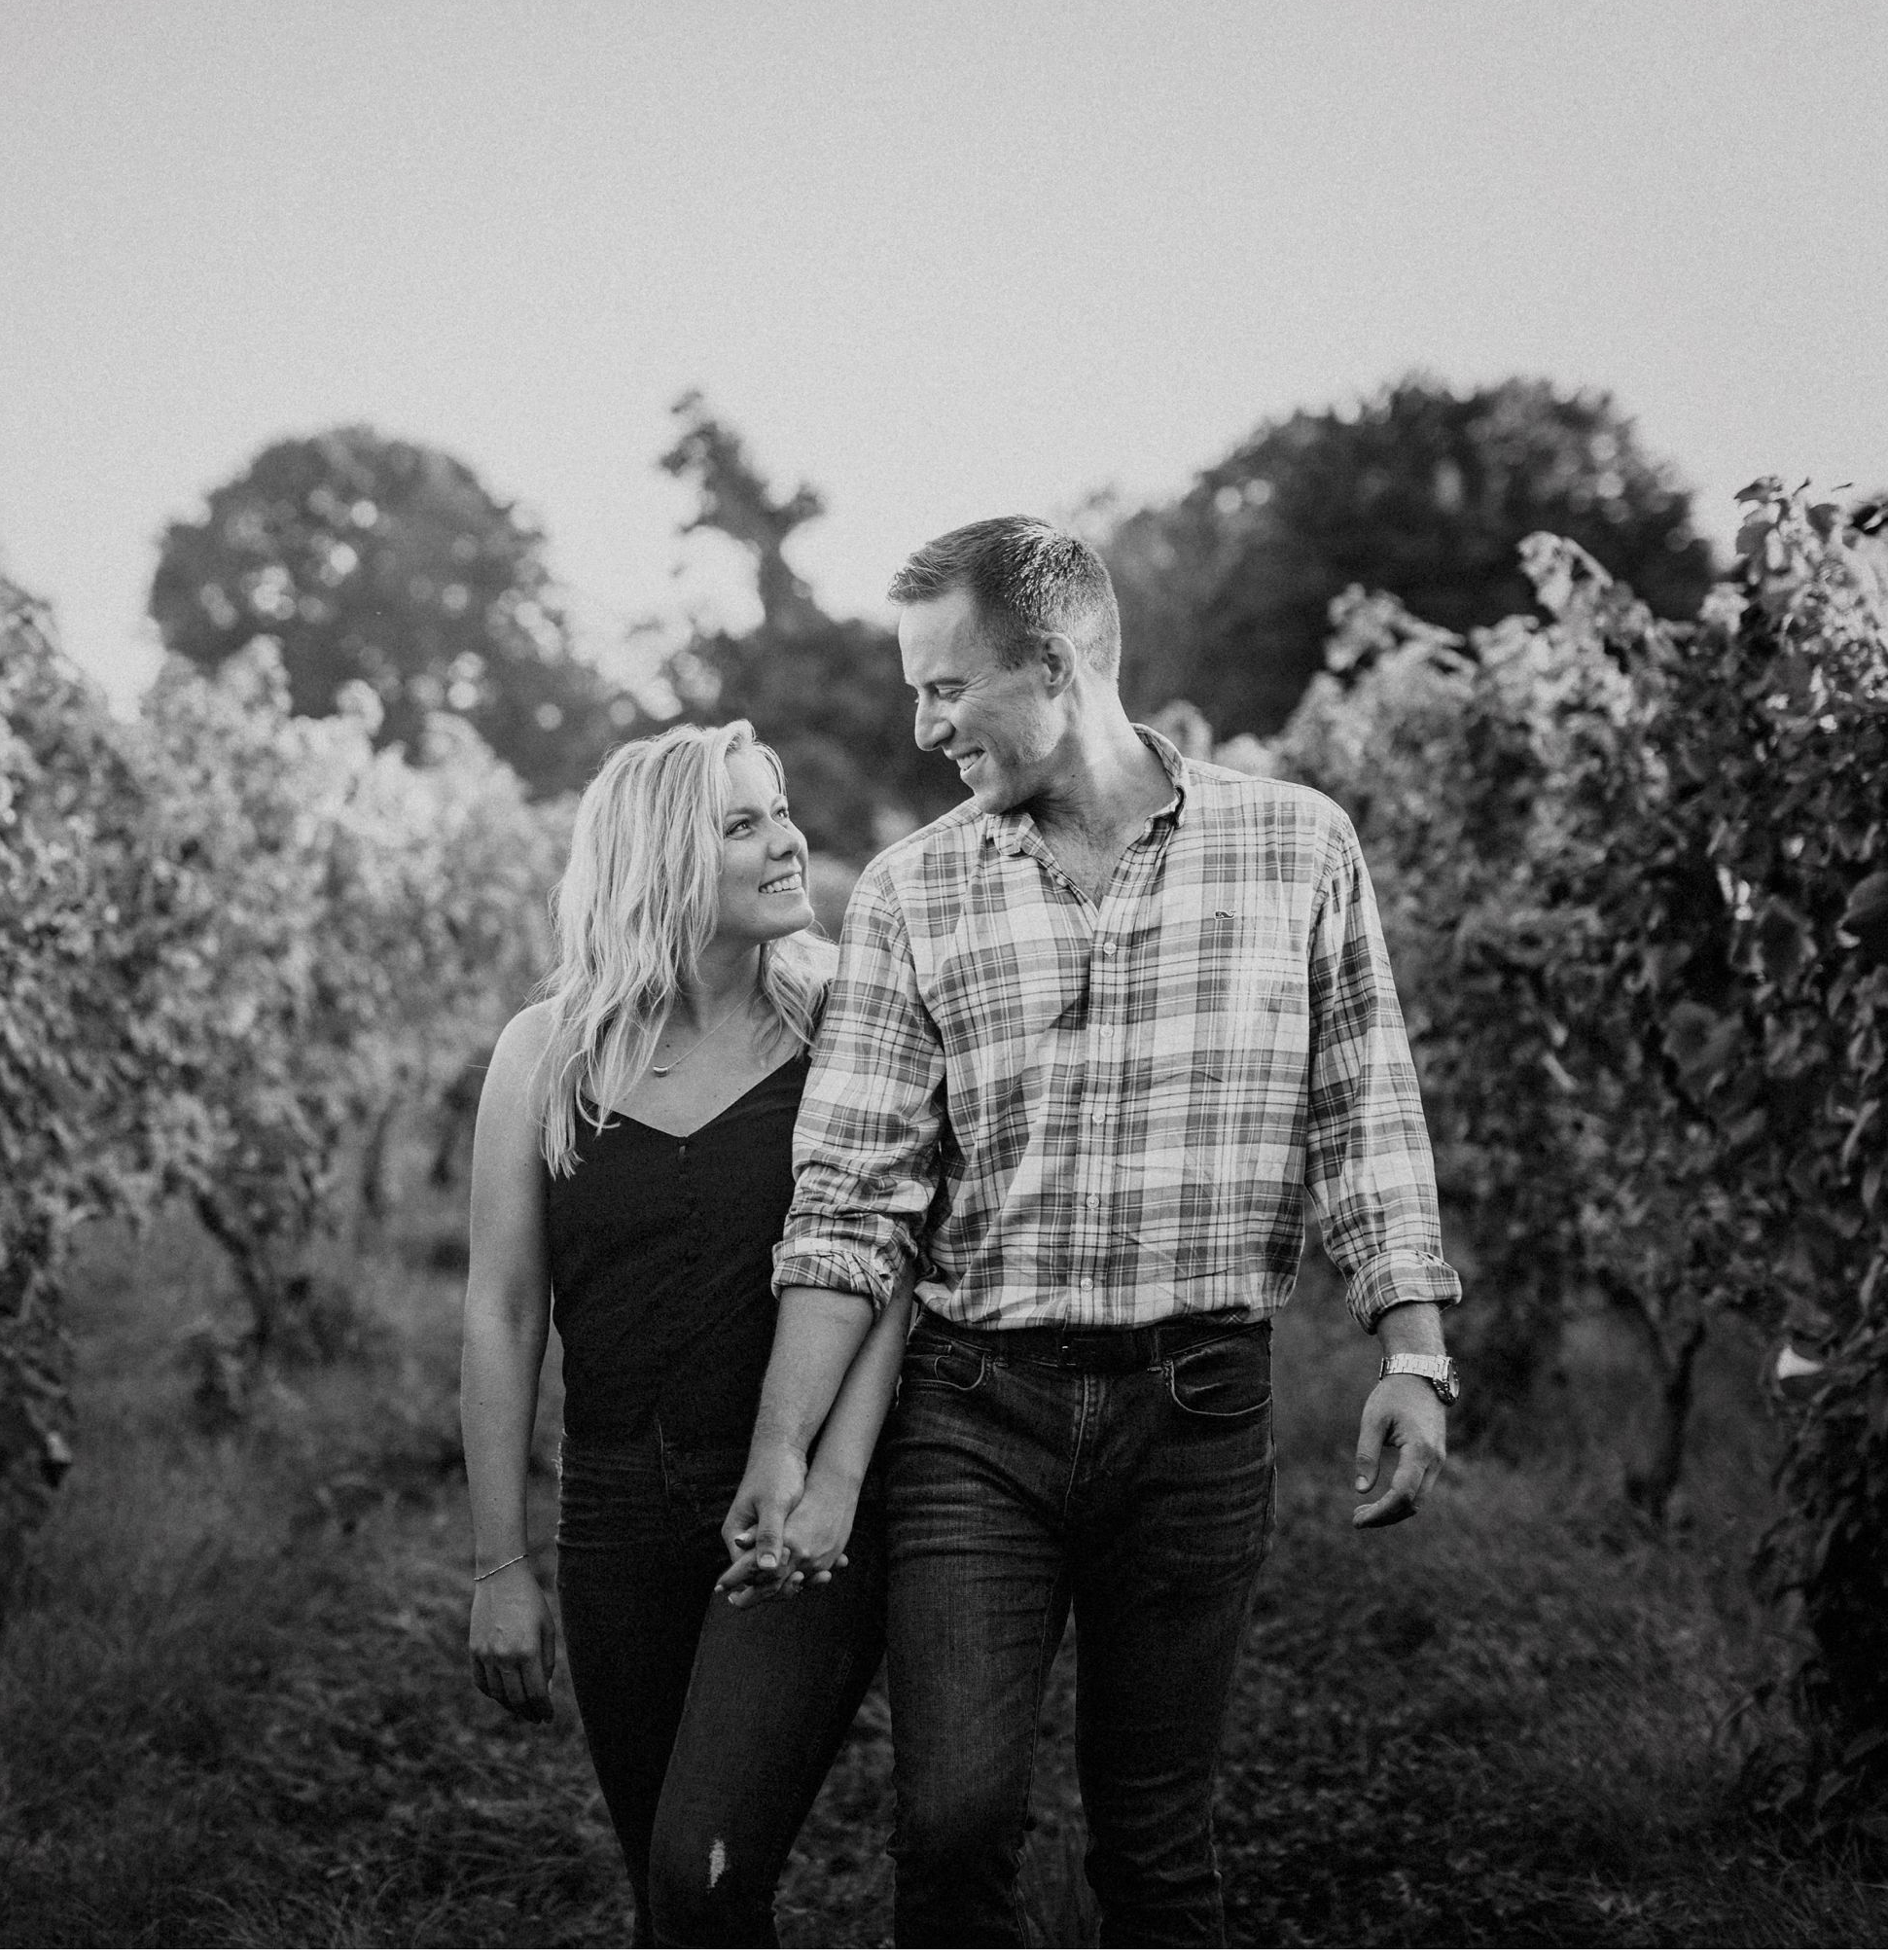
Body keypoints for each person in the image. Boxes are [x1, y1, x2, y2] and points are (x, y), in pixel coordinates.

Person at [717, 517, 1462, 1946]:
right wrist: (782, 1443)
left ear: (1052, 664)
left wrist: (1414, 1350)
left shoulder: (1293, 846)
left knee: (1155, 1839)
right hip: (973, 1414)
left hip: (1197, 1412)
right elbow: (851, 1198)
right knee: (952, 1823)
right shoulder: (909, 889)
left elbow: (1364, 1101)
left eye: (946, 687)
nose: (922, 723)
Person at [459, 722, 918, 1946]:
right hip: (611, 1509)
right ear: (662, 861)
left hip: (790, 1510)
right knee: (670, 1898)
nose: (787, 841)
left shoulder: (838, 1024)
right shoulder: (544, 1053)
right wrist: (500, 1566)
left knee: (702, 1871)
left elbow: (888, 1273)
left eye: (778, 811)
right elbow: (501, 1315)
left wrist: (832, 1482)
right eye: (743, 824)